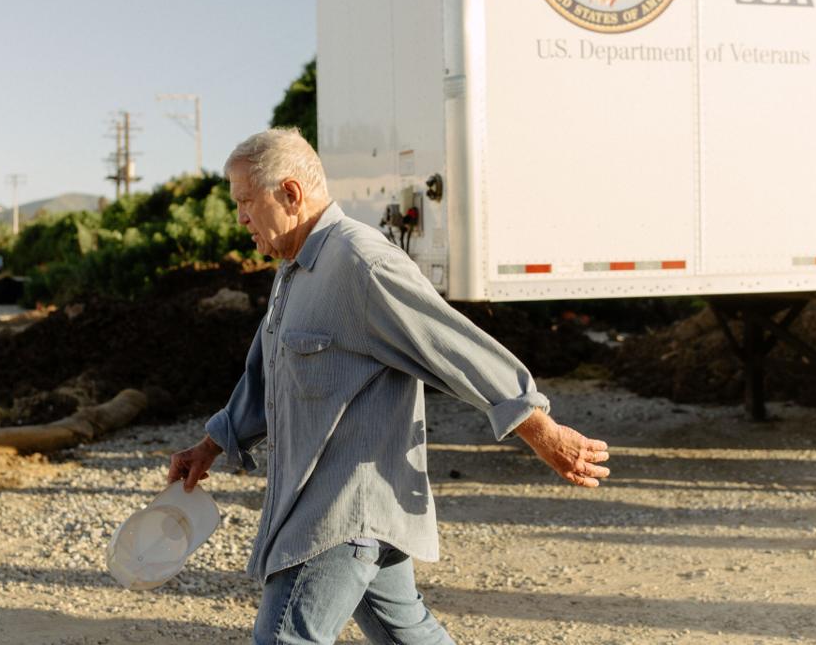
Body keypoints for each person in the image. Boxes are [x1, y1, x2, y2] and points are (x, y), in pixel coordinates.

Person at [169, 128, 610, 645]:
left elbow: (452, 344)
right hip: (346, 510)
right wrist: (212, 443)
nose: (240, 217)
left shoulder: (361, 262)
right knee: (408, 636)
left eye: (246, 201)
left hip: (338, 511)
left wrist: (541, 429)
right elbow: (267, 374)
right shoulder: (293, 269)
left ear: (290, 193)